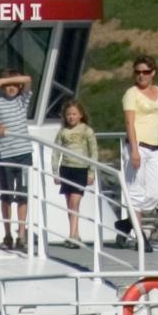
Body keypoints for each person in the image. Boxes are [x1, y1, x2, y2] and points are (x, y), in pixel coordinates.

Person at [0, 69, 40, 251]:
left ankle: (21, 235)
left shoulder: (23, 100)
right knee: (6, 195)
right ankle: (7, 234)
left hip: (23, 155)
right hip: (5, 155)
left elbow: (29, 79)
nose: (11, 88)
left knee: (23, 194)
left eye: (14, 84)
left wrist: (2, 80)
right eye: (7, 85)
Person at [119, 57, 158, 245]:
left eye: (145, 72)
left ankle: (126, 224)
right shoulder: (131, 93)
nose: (141, 75)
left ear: (153, 72)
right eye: (138, 72)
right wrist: (134, 150)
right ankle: (141, 238)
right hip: (137, 146)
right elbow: (130, 122)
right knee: (136, 193)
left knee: (154, 196)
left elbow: (155, 118)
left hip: (155, 148)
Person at [53, 95, 97, 244]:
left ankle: (72, 236)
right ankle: (75, 234)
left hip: (80, 170)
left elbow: (93, 152)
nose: (71, 117)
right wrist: (55, 172)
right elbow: (56, 152)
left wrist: (91, 173)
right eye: (68, 114)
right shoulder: (62, 132)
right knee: (69, 203)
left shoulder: (87, 131)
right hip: (66, 169)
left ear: (80, 115)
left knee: (74, 201)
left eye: (74, 114)